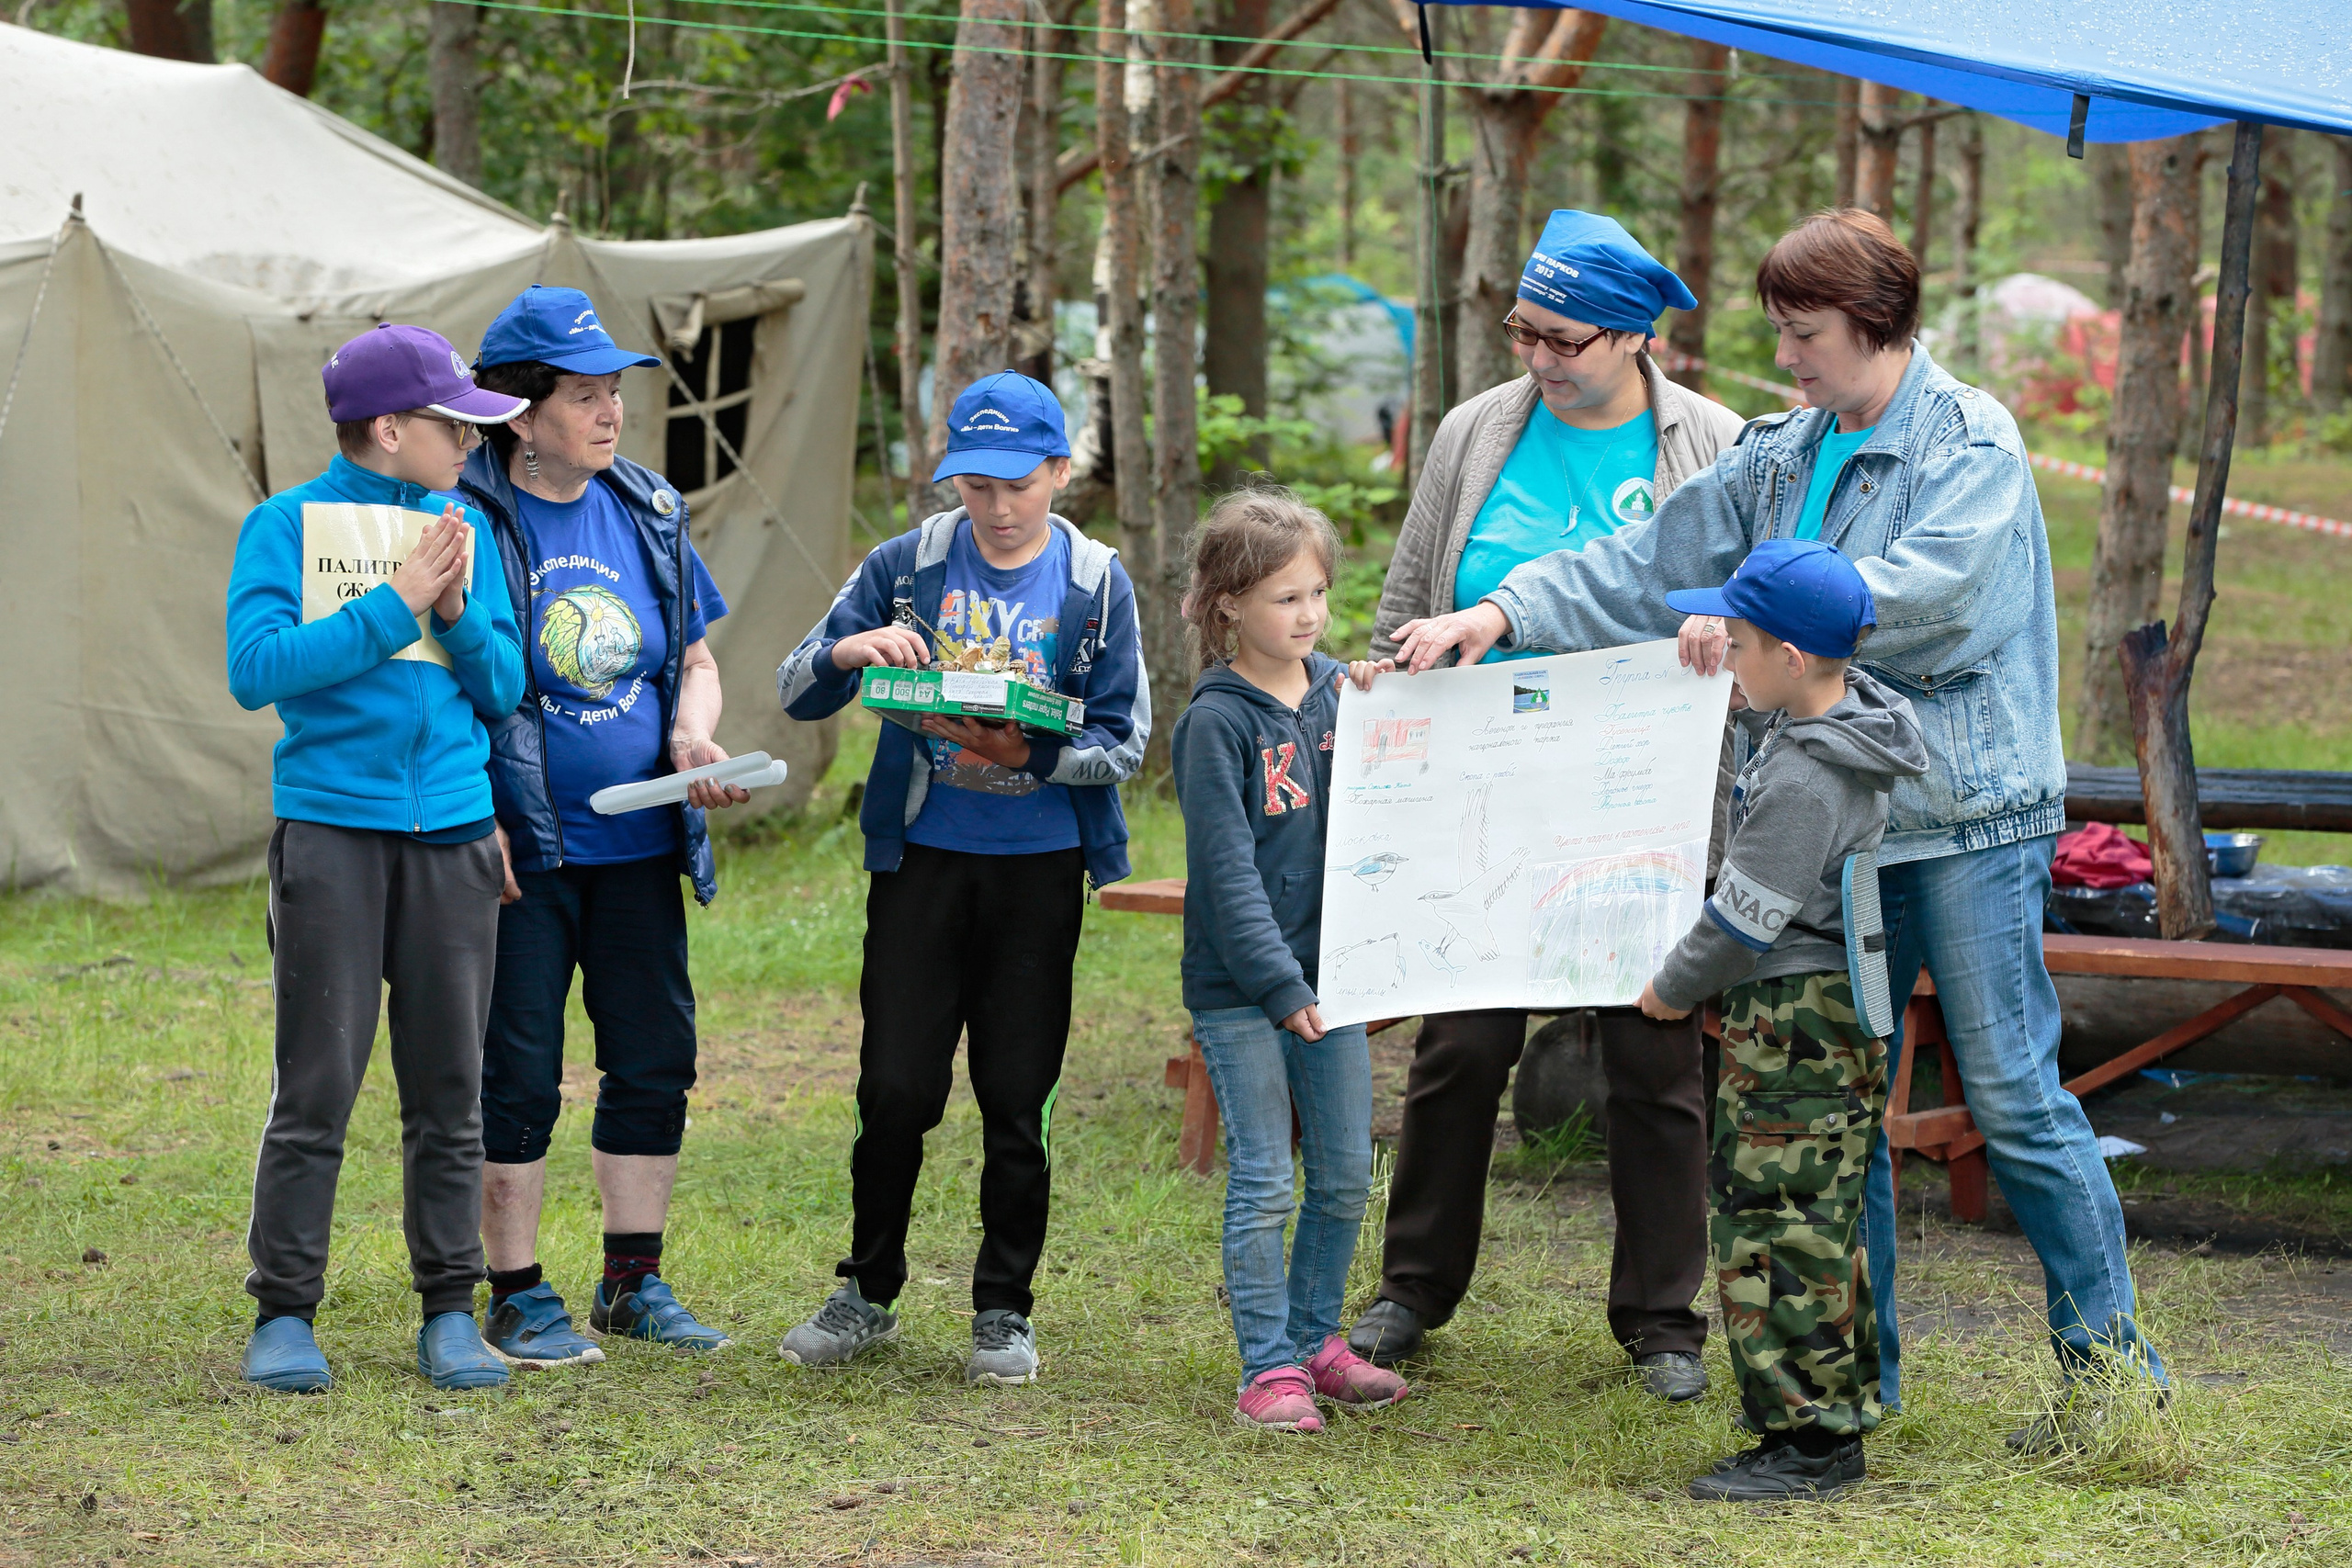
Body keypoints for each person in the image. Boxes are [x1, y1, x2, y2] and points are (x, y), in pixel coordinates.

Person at [1389, 209, 2169, 1447]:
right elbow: (1646, 556)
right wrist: (1503, 610)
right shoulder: (1776, 452)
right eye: (1780, 334)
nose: (1787, 359)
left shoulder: (1971, 443)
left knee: (2016, 1097)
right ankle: (1856, 1380)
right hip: (1828, 831)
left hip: (1963, 824)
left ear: (1875, 325)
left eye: (1804, 335)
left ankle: (2114, 1372)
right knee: (1836, 1112)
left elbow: (1940, 604)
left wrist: (1767, 609)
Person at [1348, 210, 1746, 1403]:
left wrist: (1728, 621)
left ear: (1635, 337)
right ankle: (1413, 1286)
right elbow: (1414, 588)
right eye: (1522, 329)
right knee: (1459, 1039)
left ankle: (1663, 1319)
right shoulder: (1479, 429)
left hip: (1641, 793)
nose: (1538, 355)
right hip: (1484, 784)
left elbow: (1769, 602)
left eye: (1563, 337)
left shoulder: (1713, 443)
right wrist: (1382, 731)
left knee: (1652, 1047)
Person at [774, 371, 1148, 1384]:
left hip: (1037, 868)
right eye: (973, 485)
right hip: (923, 861)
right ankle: (865, 1290)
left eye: (1016, 484)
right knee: (895, 1085)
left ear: (1060, 473)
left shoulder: (1097, 581)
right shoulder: (904, 565)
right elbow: (793, 683)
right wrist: (855, 647)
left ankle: (1003, 1309)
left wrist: (1025, 752)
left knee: (1015, 1093)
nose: (994, 506)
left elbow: (1123, 742)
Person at [225, 323, 529, 1393]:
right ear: (390, 429)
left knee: (451, 1087)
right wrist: (390, 604)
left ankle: (451, 1310)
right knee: (318, 1083)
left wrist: (452, 609)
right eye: (454, 426)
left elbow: (500, 688)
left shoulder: (466, 528)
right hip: (332, 836)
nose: (471, 443)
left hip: (450, 835)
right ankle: (284, 1313)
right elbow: (257, 671)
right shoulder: (282, 525)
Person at [454, 286, 750, 1363]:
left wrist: (692, 740)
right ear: (520, 412)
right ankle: (515, 1291)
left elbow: (697, 660)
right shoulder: (465, 517)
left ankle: (632, 1282)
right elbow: (443, 682)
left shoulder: (648, 507)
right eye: (584, 395)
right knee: (518, 1069)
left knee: (653, 1055)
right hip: (522, 851)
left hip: (640, 843)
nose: (609, 412)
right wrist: (472, 815)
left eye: (613, 392)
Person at [1634, 540, 1928, 1500]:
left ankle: (1806, 1444)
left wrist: (1670, 988)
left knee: (1776, 1226)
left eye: (1740, 641)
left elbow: (1745, 918)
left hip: (1795, 1019)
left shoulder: (1806, 777)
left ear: (1790, 660)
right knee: (1822, 1217)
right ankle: (1839, 1400)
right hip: (1835, 1006)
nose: (1724, 653)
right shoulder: (1839, 729)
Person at [1171, 489, 1412, 1433]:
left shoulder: (1336, 694)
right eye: (1284, 599)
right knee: (1268, 1175)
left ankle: (1318, 1341)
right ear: (1226, 604)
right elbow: (1227, 878)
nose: (1307, 616)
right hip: (1245, 992)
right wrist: (1278, 987)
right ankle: (1266, 1368)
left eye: (1316, 594)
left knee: (1347, 1171)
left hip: (1339, 977)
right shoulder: (1214, 725)